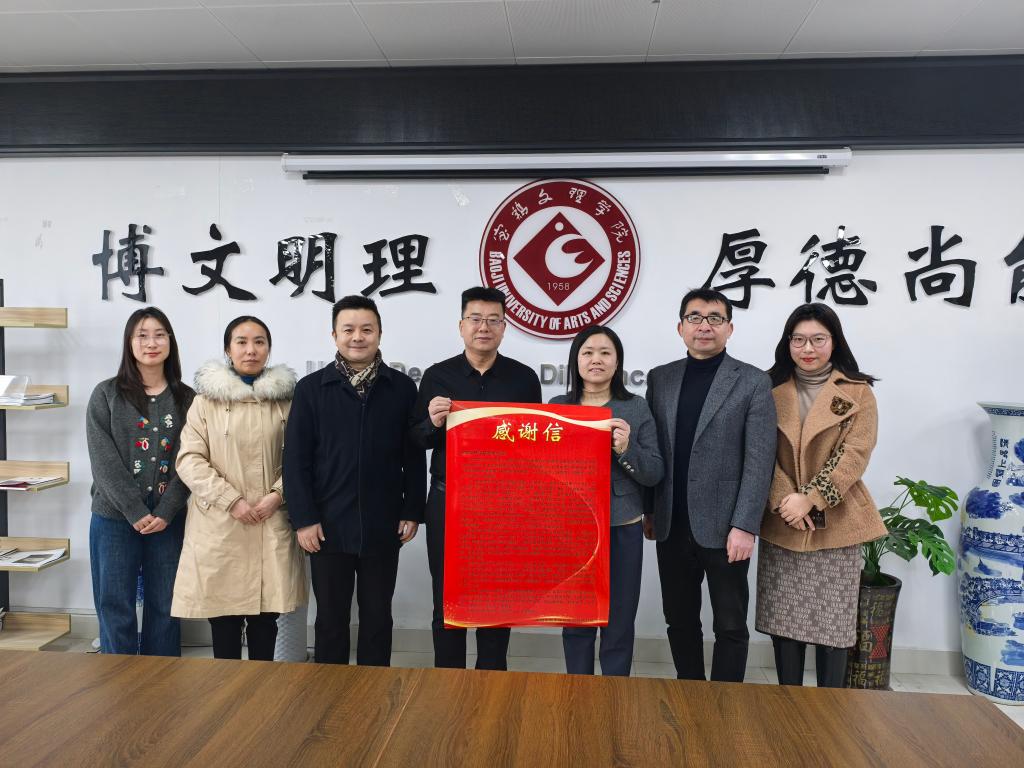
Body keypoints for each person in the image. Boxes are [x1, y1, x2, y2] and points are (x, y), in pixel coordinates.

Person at [284, 295, 425, 666]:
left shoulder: (401, 388)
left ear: (379, 333)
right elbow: (295, 460)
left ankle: (374, 691)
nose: (358, 337)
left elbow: (413, 455)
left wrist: (412, 509)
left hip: (383, 522)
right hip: (327, 524)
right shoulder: (311, 389)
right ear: (334, 335)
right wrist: (304, 518)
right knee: (331, 619)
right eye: (348, 330)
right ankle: (331, 690)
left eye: (367, 329)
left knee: (378, 616)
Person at [644, 288, 776, 682]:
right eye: (695, 317)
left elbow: (759, 459)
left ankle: (725, 699)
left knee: (730, 624)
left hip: (726, 527)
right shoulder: (661, 378)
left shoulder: (753, 381)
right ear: (681, 327)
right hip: (671, 522)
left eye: (715, 318)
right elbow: (653, 448)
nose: (705, 326)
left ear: (729, 328)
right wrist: (650, 510)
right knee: (679, 619)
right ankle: (690, 692)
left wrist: (745, 525)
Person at [756, 302, 886, 687]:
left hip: (838, 523)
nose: (807, 348)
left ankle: (831, 707)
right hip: (784, 522)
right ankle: (789, 703)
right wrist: (787, 501)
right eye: (798, 340)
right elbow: (758, 450)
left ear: (834, 342)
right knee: (785, 623)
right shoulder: (766, 388)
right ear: (787, 343)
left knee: (833, 627)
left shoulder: (858, 392)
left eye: (817, 339)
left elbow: (855, 454)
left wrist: (811, 499)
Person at [412, 286, 542, 670]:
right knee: (447, 597)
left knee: (496, 601)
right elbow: (416, 439)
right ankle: (448, 681)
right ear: (461, 325)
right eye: (475, 319)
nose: (483, 327)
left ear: (504, 327)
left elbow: (534, 445)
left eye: (493, 320)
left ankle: (492, 683)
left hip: (504, 504)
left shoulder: (523, 379)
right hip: (449, 500)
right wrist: (432, 422)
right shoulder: (437, 376)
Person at [171, 316, 307, 660]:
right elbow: (189, 459)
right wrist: (230, 500)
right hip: (221, 523)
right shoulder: (205, 402)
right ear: (228, 349)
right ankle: (225, 690)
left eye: (259, 342)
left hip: (271, 519)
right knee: (224, 619)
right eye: (242, 342)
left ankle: (261, 689)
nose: (251, 350)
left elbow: (305, 456)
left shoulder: (288, 401)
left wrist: (278, 494)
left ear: (269, 348)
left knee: (266, 619)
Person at [550, 326, 663, 676]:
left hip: (621, 524)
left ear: (617, 362)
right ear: (576, 360)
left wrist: (626, 449)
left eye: (605, 353)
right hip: (571, 528)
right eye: (588, 352)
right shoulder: (558, 407)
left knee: (619, 618)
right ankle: (578, 689)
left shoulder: (635, 407)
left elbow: (654, 472)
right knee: (576, 618)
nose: (596, 360)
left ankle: (614, 691)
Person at [86, 307, 194, 656]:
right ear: (129, 343)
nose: (151, 343)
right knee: (115, 603)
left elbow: (191, 460)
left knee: (166, 606)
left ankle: (162, 679)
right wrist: (134, 510)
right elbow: (103, 460)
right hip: (114, 518)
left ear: (170, 342)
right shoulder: (106, 394)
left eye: (160, 334)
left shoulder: (187, 398)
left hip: (168, 519)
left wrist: (166, 510)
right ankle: (118, 676)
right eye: (142, 335)